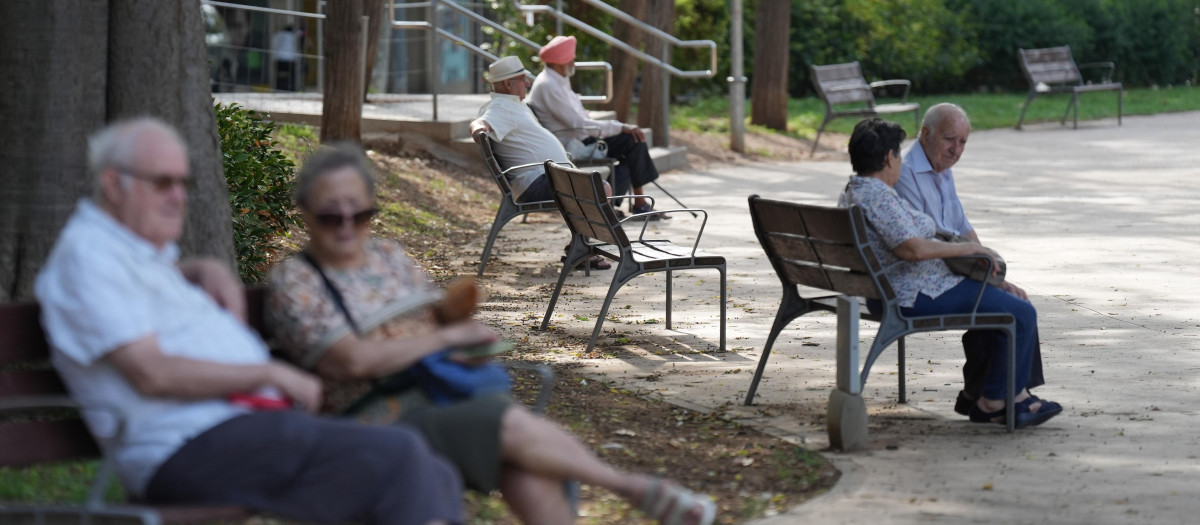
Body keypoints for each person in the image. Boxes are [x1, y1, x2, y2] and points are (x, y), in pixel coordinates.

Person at [35, 118, 462, 525]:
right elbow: (151, 373)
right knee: (400, 457)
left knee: (433, 470)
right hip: (186, 448)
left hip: (239, 432)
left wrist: (199, 269)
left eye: (183, 182)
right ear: (113, 183)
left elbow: (131, 298)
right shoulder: (88, 260)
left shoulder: (130, 254)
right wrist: (269, 371)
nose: (178, 196)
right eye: (163, 182)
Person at [266, 142, 718, 525]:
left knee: (524, 466)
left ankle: (638, 489)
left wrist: (464, 337)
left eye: (359, 212)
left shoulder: (387, 256)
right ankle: (633, 487)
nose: (347, 225)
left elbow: (435, 322)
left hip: (434, 392)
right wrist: (446, 341)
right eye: (330, 216)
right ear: (305, 212)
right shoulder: (296, 283)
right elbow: (351, 362)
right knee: (508, 429)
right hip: (371, 419)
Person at [839, 118, 1062, 429]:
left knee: (1001, 303)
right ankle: (995, 401)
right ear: (889, 157)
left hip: (894, 288)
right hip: (914, 293)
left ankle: (990, 394)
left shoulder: (857, 191)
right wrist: (971, 251)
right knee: (1020, 312)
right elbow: (912, 250)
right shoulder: (878, 197)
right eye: (898, 156)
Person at [896, 102, 1046, 416]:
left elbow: (962, 228)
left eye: (963, 142)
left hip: (940, 274)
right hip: (924, 282)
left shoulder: (941, 169)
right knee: (1018, 312)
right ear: (926, 134)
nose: (956, 149)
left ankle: (977, 394)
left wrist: (996, 276)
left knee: (1007, 299)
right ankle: (998, 400)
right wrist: (980, 266)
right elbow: (921, 245)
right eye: (950, 139)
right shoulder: (907, 173)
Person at [470, 55, 613, 270]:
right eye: (522, 79)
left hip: (544, 177)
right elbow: (482, 122)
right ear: (508, 83)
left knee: (599, 187)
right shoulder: (501, 107)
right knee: (600, 188)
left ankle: (580, 248)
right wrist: (479, 129)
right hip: (536, 182)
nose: (527, 83)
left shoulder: (512, 104)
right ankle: (580, 249)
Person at [526, 35, 668, 219]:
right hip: (574, 142)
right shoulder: (549, 84)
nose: (573, 62)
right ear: (562, 62)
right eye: (571, 59)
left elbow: (579, 117)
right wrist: (620, 127)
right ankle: (636, 204)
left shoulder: (557, 79)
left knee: (631, 149)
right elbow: (580, 124)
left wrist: (616, 127)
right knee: (633, 140)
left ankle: (614, 205)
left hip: (579, 135)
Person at [271, 24, 300, 91]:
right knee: (292, 75)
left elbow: (274, 45)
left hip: (278, 58)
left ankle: (278, 87)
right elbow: (296, 47)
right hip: (290, 59)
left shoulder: (277, 35)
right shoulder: (293, 36)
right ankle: (292, 88)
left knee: (279, 74)